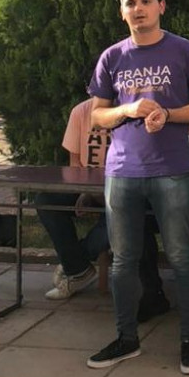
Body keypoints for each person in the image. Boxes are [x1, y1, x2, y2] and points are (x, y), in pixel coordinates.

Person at [86, 0, 189, 375]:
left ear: (161, 6)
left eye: (146, 1)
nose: (138, 9)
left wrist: (169, 114)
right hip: (122, 172)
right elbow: (96, 114)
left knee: (181, 258)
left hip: (171, 171)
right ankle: (127, 338)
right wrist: (126, 110)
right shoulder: (112, 56)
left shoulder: (184, 50)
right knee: (124, 260)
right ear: (122, 10)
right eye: (130, 3)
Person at [34, 96, 170, 322]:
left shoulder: (135, 110)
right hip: (91, 188)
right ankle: (77, 268)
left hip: (126, 192)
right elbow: (75, 164)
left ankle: (76, 262)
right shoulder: (81, 112)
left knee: (120, 215)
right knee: (46, 198)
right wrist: (85, 192)